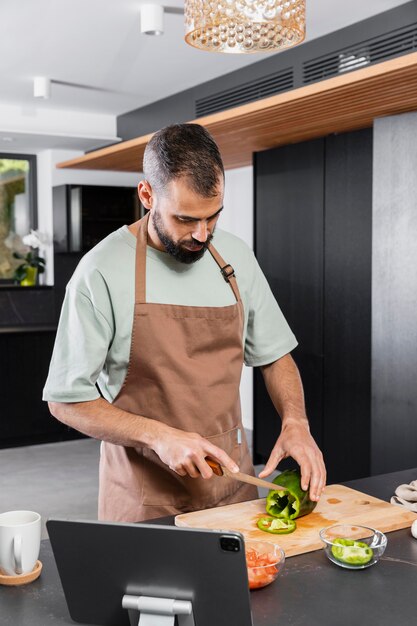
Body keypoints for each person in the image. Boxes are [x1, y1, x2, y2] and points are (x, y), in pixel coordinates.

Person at [43, 123, 326, 522]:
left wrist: (296, 421)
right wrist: (159, 436)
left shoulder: (235, 256)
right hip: (144, 496)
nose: (202, 233)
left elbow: (275, 355)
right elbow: (66, 401)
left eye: (213, 217)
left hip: (233, 486)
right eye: (185, 219)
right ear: (147, 195)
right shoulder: (100, 272)